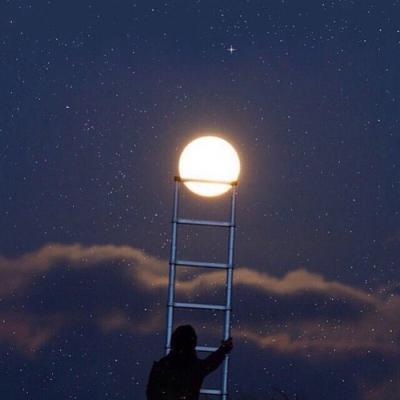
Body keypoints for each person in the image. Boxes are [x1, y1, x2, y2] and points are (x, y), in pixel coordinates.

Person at [146, 325, 233, 400]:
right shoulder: (195, 367)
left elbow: (151, 392)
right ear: (193, 343)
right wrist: (223, 349)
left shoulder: (162, 366)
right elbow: (211, 363)